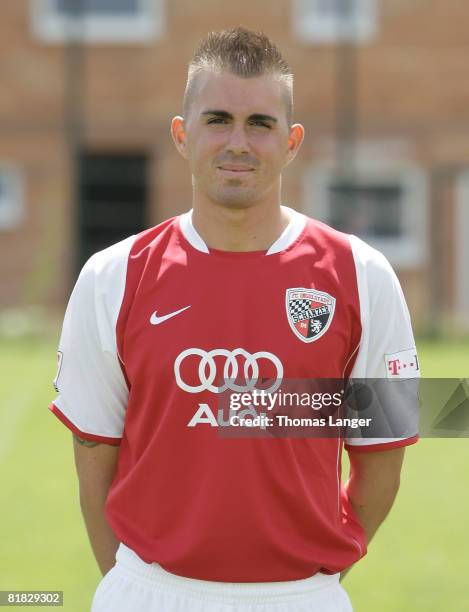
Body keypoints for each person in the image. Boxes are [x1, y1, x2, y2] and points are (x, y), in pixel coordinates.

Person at [49, 27, 419, 612]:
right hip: (149, 591)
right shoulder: (111, 276)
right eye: (217, 119)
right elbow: (94, 460)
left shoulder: (364, 274)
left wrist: (312, 581)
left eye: (261, 123)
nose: (238, 142)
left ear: (292, 141)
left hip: (301, 596)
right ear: (182, 133)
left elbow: (383, 458)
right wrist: (136, 583)